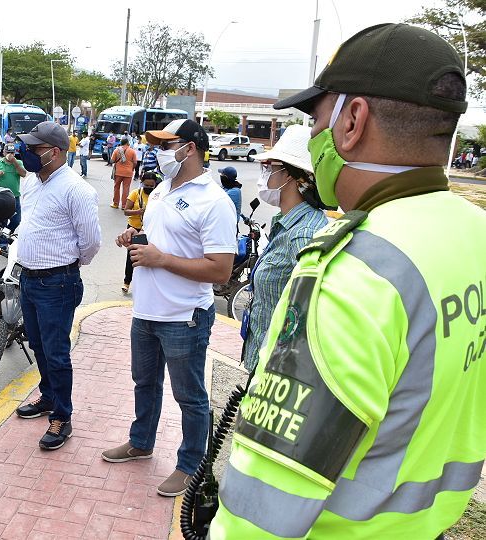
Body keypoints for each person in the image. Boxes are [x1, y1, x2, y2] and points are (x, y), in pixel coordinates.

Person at [210, 23, 486, 538]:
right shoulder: (474, 232)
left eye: (316, 119)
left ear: (352, 120)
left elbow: (260, 515)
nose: (313, 138)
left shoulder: (352, 271)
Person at [104, 118, 236, 497]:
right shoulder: (162, 189)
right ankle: (141, 442)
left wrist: (161, 259)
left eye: (166, 144)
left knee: (189, 395)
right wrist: (136, 237)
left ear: (190, 148)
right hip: (146, 310)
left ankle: (192, 464)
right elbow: (166, 239)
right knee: (144, 383)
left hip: (185, 317)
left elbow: (220, 269)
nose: (158, 152)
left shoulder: (214, 201)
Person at [14, 121, 101, 450]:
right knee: (37, 344)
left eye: (35, 149)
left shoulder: (77, 190)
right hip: (29, 278)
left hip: (57, 282)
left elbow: (91, 241)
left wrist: (68, 265)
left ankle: (62, 416)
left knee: (57, 352)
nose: (28, 154)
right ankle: (48, 396)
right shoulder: (32, 183)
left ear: (55, 152)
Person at [241, 124, 329, 373]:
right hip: (265, 361)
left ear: (291, 175)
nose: (264, 174)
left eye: (269, 167)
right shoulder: (288, 223)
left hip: (279, 370)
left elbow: (312, 314)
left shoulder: (303, 235)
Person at [121, 170, 159, 294]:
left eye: (151, 186)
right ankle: (127, 282)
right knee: (132, 257)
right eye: (146, 185)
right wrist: (138, 212)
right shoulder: (135, 194)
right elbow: (126, 211)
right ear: (141, 183)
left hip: (149, 230)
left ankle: (144, 285)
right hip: (134, 229)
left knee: (148, 257)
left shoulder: (157, 195)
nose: (148, 188)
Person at [0, 143, 26, 249]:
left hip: (14, 197)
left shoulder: (18, 162)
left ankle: (6, 234)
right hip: (1, 197)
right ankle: (3, 245)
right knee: (2, 221)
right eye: (8, 152)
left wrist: (15, 162)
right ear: (4, 153)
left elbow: (23, 174)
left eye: (12, 153)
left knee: (16, 220)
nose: (10, 154)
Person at [110, 137, 137, 209]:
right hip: (128, 173)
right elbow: (135, 162)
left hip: (118, 172)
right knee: (126, 189)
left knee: (116, 188)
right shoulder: (132, 151)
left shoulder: (116, 150)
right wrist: (132, 169)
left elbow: (112, 160)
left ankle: (115, 204)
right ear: (127, 143)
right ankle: (124, 205)